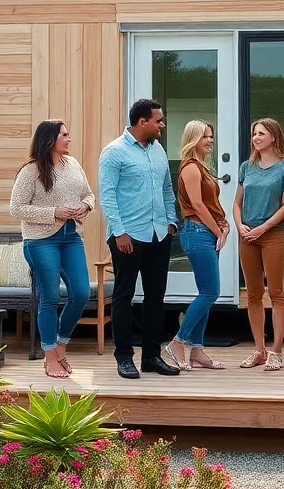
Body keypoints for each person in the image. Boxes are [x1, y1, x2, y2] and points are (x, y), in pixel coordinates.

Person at [97, 99, 182, 380]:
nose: (162, 125)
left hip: (159, 233)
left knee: (156, 297)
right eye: (158, 120)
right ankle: (124, 357)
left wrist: (171, 221)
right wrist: (119, 232)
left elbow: (167, 187)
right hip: (128, 236)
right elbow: (107, 196)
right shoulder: (114, 152)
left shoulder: (157, 150)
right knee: (124, 295)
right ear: (142, 121)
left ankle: (152, 357)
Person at [8, 120, 95, 379]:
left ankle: (60, 346)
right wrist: (53, 213)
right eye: (64, 135)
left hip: (71, 238)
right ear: (49, 139)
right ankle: (49, 358)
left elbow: (89, 195)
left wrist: (86, 207)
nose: (69, 139)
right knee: (50, 297)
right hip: (40, 241)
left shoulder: (74, 165)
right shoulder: (30, 171)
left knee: (81, 293)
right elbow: (16, 208)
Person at [162, 120, 230, 371]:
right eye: (205, 137)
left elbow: (210, 206)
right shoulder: (190, 168)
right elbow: (198, 206)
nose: (210, 141)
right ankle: (178, 342)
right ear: (193, 140)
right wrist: (217, 230)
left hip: (208, 232)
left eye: (211, 136)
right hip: (198, 232)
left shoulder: (203, 167)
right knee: (210, 292)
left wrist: (224, 225)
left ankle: (197, 350)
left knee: (207, 293)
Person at [234, 117, 284, 372]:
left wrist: (263, 227)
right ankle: (259, 350)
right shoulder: (246, 167)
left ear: (273, 137)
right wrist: (240, 226)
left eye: (261, 133)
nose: (256, 138)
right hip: (247, 236)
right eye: (254, 134)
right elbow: (237, 203)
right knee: (253, 294)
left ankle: (277, 351)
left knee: (276, 293)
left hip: (273, 235)